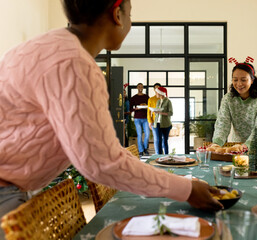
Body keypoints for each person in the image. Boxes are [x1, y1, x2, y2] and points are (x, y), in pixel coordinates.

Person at [0, 1, 222, 238]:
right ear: (117, 14)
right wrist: (187, 189)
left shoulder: (45, 46)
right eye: (130, 14)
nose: (130, 22)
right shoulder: (73, 63)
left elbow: (96, 148)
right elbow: (101, 163)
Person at [212, 57, 257, 154]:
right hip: (239, 144)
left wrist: (247, 145)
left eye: (243, 80)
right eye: (235, 80)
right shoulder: (228, 99)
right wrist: (217, 143)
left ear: (252, 80)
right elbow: (222, 124)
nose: (239, 84)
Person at [130, 83, 150, 156]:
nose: (140, 88)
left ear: (143, 88)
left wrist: (145, 106)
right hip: (137, 118)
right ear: (137, 88)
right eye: (139, 87)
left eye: (141, 87)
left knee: (147, 134)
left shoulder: (147, 97)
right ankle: (141, 150)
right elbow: (131, 109)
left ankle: (145, 148)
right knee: (139, 135)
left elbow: (150, 106)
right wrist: (136, 108)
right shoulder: (134, 98)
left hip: (145, 118)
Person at [153, 87, 173, 154]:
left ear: (161, 93)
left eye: (157, 92)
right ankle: (159, 156)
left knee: (165, 141)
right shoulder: (158, 101)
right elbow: (157, 111)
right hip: (157, 123)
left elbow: (171, 113)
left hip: (166, 124)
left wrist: (160, 112)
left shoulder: (168, 101)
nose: (156, 94)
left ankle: (166, 155)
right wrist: (155, 111)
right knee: (158, 141)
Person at [147, 83, 161, 154]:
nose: (157, 89)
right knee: (156, 138)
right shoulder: (151, 99)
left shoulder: (164, 98)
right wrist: (149, 121)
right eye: (156, 88)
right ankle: (157, 154)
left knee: (162, 138)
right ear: (154, 89)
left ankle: (161, 153)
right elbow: (148, 111)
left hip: (163, 121)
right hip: (154, 121)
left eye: (158, 88)